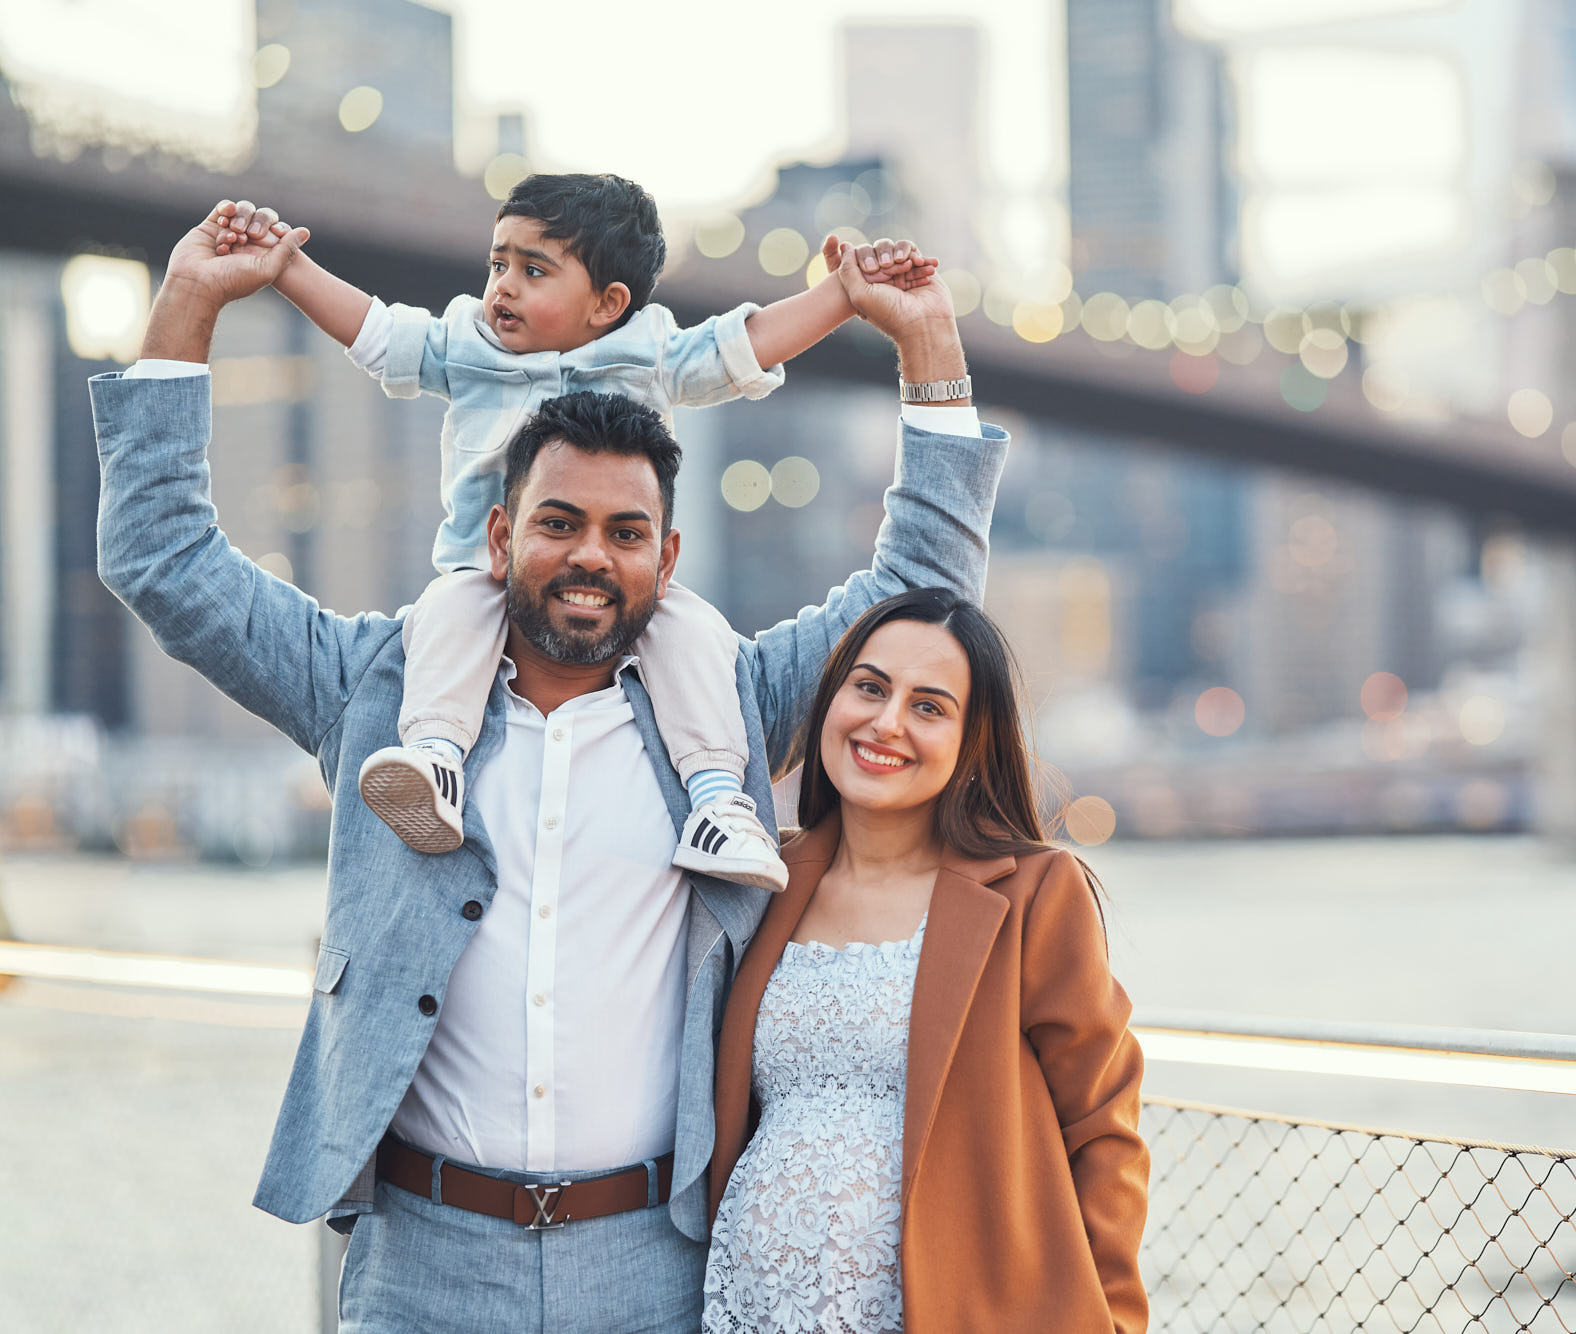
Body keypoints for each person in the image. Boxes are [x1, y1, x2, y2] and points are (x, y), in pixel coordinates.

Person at [92, 204, 1004, 1333]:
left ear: (666, 559)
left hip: (652, 1267)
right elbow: (163, 557)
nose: (589, 555)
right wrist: (187, 301)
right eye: (557, 522)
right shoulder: (375, 688)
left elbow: (923, 581)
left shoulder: (729, 701)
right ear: (494, 537)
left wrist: (925, 341)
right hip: (420, 1265)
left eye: (625, 532)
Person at [213, 174, 931, 890]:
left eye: (533, 270)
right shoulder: (465, 346)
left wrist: (842, 294)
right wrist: (289, 267)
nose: (504, 287)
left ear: (608, 304)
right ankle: (435, 761)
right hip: (481, 572)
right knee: (442, 620)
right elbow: (375, 332)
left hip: (620, 594)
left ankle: (719, 802)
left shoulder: (647, 351)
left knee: (698, 638)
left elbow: (744, 347)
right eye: (498, 263)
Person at [704, 589, 1150, 1334]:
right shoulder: (766, 881)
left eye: (929, 706)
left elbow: (1105, 1129)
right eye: (870, 688)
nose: (887, 722)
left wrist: (1112, 1322)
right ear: (832, 701)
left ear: (973, 741)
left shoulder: (1035, 894)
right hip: (750, 1310)